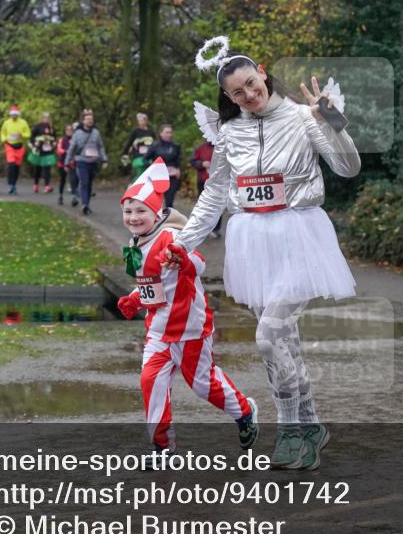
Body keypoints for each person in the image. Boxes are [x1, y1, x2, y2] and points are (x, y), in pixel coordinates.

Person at [161, 37, 360, 470]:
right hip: (251, 241)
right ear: (228, 97)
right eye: (237, 93)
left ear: (264, 73)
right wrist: (181, 242)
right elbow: (214, 195)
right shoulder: (230, 132)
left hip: (298, 234)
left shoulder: (306, 118)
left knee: (269, 338)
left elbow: (348, 168)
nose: (248, 96)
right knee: (283, 343)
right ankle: (309, 428)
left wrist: (332, 122)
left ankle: (290, 432)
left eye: (252, 84)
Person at [116, 157, 258, 457]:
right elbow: (152, 283)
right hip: (158, 330)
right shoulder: (135, 243)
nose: (133, 217)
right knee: (150, 381)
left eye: (141, 210)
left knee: (203, 386)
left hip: (190, 328)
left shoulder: (170, 236)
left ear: (156, 214)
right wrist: (134, 298)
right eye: (128, 211)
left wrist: (182, 259)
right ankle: (161, 447)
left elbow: (199, 262)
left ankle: (245, 412)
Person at [65, 109, 108, 215]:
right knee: (84, 182)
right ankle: (84, 204)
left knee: (89, 184)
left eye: (91, 119)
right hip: (81, 161)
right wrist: (67, 161)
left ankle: (87, 204)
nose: (90, 121)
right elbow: (72, 148)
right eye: (87, 119)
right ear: (83, 121)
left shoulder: (96, 133)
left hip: (93, 162)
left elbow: (101, 147)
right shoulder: (77, 133)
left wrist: (104, 159)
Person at [190, 138, 221, 238]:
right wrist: (202, 164)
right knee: (204, 205)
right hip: (203, 181)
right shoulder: (200, 148)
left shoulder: (223, 146)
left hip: (219, 182)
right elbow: (193, 161)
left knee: (217, 205)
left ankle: (215, 229)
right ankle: (202, 228)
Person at [146, 124, 181, 209]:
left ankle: (169, 220)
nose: (169, 134)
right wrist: (152, 168)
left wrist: (178, 169)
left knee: (169, 201)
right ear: (161, 133)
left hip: (172, 176)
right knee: (158, 201)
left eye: (170, 132)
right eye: (166, 132)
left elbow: (178, 160)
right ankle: (157, 220)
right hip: (159, 176)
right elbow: (145, 159)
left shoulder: (176, 146)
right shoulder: (154, 146)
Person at [0, 105, 31, 195]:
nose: (13, 116)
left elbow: (28, 134)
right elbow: (2, 133)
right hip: (9, 145)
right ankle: (11, 184)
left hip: (19, 146)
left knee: (17, 167)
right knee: (11, 164)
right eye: (12, 114)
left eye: (15, 114)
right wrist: (4, 139)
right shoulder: (6, 123)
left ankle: (14, 184)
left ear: (18, 115)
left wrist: (21, 135)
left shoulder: (23, 123)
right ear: (10, 115)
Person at [121, 112, 156, 181]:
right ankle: (134, 187)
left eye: (143, 120)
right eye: (139, 121)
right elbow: (129, 143)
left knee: (150, 173)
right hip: (138, 156)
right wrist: (124, 154)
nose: (141, 122)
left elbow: (155, 144)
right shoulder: (135, 132)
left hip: (149, 156)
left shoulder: (151, 132)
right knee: (140, 171)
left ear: (146, 121)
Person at [28, 112, 57, 193]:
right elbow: (31, 137)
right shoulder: (37, 127)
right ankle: (36, 184)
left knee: (47, 168)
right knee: (38, 168)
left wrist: (54, 143)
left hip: (48, 150)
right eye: (45, 117)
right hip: (39, 151)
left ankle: (47, 185)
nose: (46, 119)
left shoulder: (52, 128)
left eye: (48, 118)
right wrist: (35, 142)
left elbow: (54, 138)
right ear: (42, 118)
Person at [55, 123, 77, 205]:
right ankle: (60, 196)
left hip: (73, 162)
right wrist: (65, 151)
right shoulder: (62, 140)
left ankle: (73, 197)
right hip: (63, 162)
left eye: (71, 130)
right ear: (65, 131)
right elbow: (58, 149)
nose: (69, 131)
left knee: (73, 179)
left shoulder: (75, 139)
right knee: (62, 180)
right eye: (68, 130)